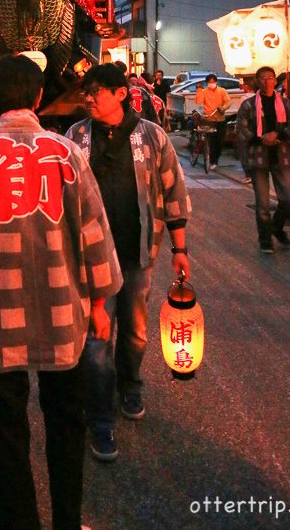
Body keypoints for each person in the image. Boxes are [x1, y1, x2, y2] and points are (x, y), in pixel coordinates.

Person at [0, 54, 122, 530]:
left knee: (9, 430)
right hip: (62, 313)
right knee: (64, 422)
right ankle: (66, 519)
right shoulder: (65, 152)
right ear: (38, 97)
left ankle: (18, 523)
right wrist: (99, 303)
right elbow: (93, 232)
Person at [67, 63, 191, 463]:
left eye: (97, 90)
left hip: (138, 254)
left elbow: (173, 191)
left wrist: (180, 250)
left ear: (121, 93)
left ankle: (131, 383)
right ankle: (100, 418)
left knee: (135, 331)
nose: (89, 97)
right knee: (97, 339)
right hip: (90, 259)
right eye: (87, 91)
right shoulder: (75, 137)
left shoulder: (152, 137)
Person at [236, 66, 290, 253]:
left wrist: (277, 136)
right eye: (262, 78)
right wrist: (262, 138)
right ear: (257, 81)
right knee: (262, 203)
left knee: (288, 199)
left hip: (281, 156)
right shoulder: (248, 105)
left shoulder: (285, 103)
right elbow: (241, 130)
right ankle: (265, 239)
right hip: (258, 158)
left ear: (275, 80)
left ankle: (277, 227)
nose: (267, 81)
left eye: (270, 78)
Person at [194, 73, 231, 170]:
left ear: (216, 82)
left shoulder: (222, 91)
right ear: (207, 83)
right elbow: (199, 102)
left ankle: (215, 159)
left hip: (220, 119)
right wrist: (198, 90)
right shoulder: (204, 92)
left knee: (220, 141)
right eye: (210, 82)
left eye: (213, 82)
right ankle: (212, 161)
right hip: (208, 120)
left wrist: (223, 108)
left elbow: (228, 102)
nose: (212, 84)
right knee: (212, 141)